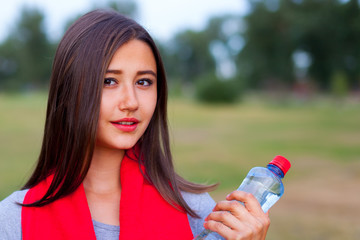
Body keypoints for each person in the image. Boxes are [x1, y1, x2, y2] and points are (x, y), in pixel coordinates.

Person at [0, 9, 270, 240]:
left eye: (143, 82)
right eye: (109, 81)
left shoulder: (197, 212)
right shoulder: (14, 221)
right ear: (68, 91)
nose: (131, 102)